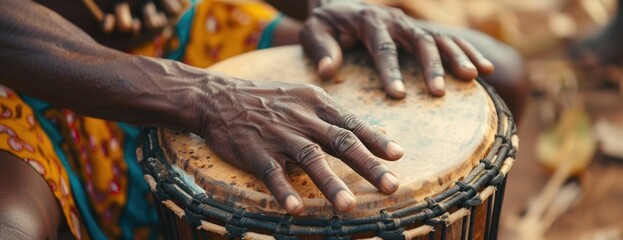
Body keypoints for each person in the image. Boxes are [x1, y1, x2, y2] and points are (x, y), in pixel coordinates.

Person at [0, 0, 528, 239]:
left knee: (493, 73)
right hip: (33, 64)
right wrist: (206, 94)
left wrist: (329, 4)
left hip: (183, 23)